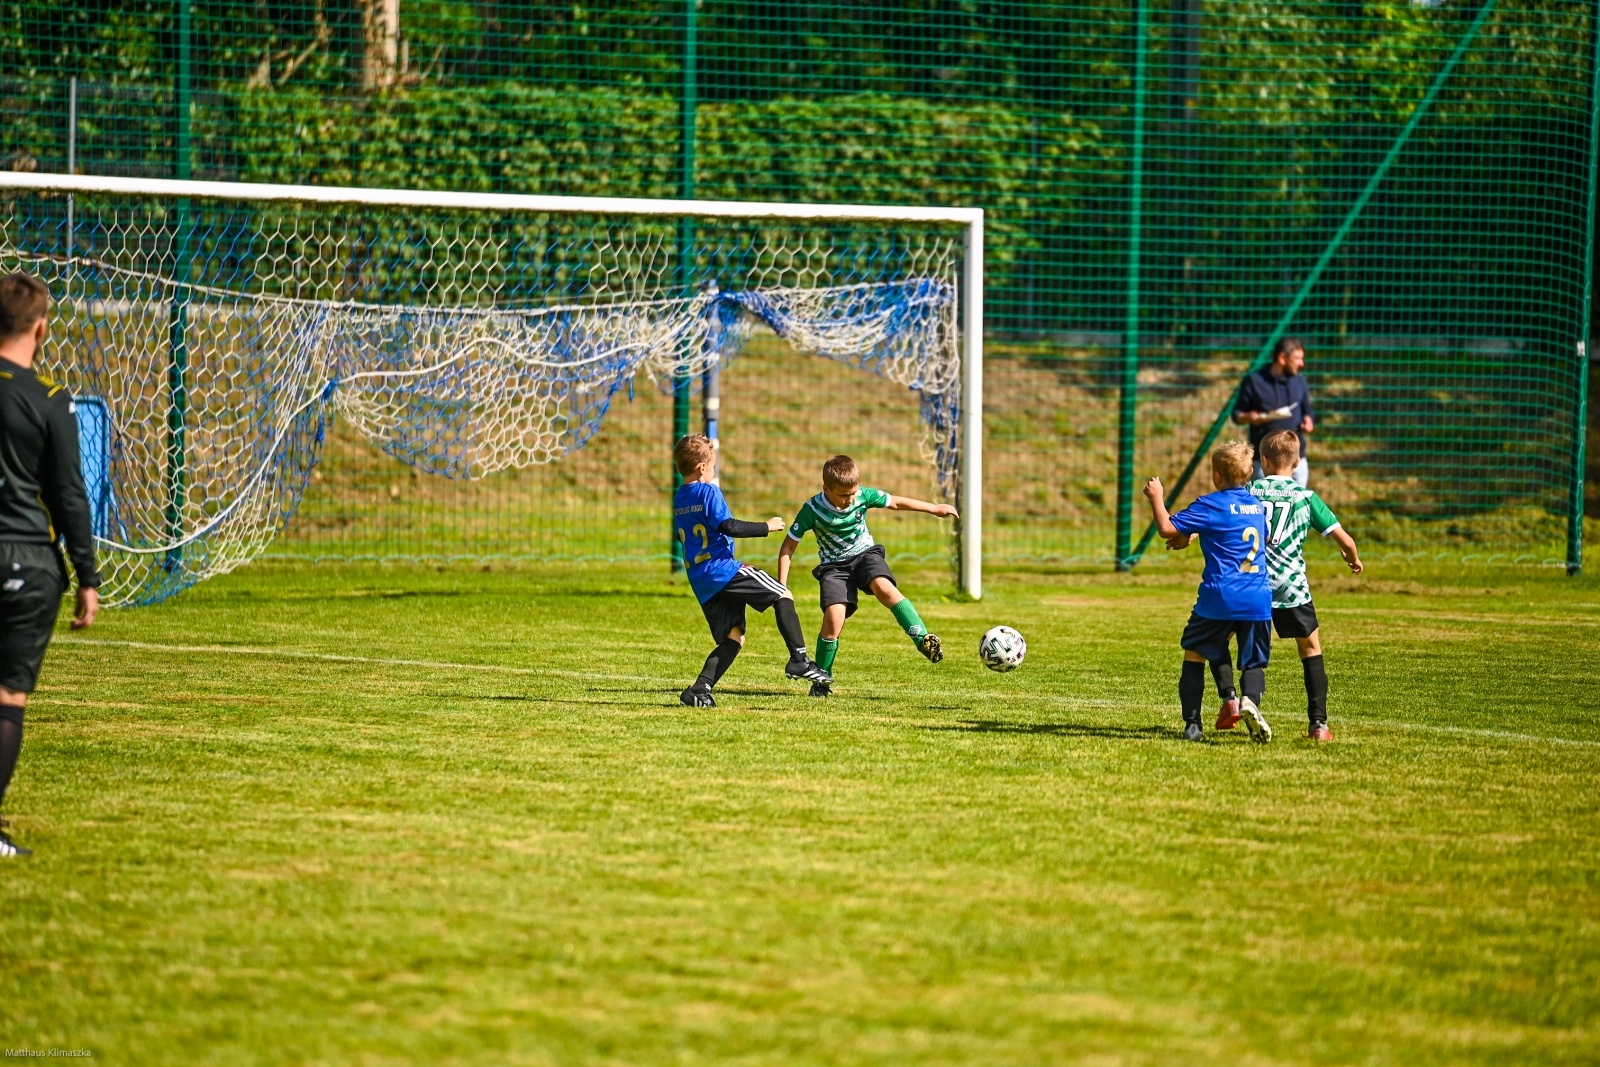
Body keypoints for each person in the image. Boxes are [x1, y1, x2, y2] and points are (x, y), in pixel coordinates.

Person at [0, 272, 100, 858]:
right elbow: (68, 495)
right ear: (40, 327)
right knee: (8, 698)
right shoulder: (50, 399)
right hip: (24, 562)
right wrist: (87, 576)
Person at [776, 455, 956, 697]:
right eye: (843, 495)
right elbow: (787, 548)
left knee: (885, 588)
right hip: (834, 568)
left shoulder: (862, 495)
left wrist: (934, 509)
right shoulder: (812, 510)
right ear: (826, 489)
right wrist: (782, 587)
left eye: (853, 493)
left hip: (865, 555)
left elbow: (895, 502)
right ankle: (821, 681)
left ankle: (922, 639)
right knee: (833, 617)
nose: (850, 500)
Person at [672, 434, 830, 708]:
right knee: (782, 594)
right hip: (722, 570)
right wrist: (766, 527)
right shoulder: (708, 491)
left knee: (735, 636)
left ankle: (699, 689)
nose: (713, 471)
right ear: (701, 468)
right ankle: (799, 660)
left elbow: (681, 537)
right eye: (712, 466)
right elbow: (728, 526)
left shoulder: (679, 499)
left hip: (701, 580)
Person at [1143, 440, 1273, 744]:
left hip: (1220, 595)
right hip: (1258, 597)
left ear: (1216, 475)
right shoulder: (1256, 506)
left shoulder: (1210, 504)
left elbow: (1165, 527)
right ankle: (1248, 701)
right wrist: (1194, 534)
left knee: (1196, 653)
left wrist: (1156, 497)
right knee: (1253, 662)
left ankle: (1193, 725)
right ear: (1249, 473)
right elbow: (1240, 533)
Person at [1242, 430, 1362, 741]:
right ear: (1296, 463)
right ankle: (1319, 725)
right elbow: (1345, 540)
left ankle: (1244, 701)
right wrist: (1352, 559)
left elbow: (1226, 517)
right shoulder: (1306, 497)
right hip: (1292, 585)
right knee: (1310, 648)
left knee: (1252, 648)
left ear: (1263, 460)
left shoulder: (1252, 489)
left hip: (1254, 582)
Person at [1234, 337, 1314, 485]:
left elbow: (1307, 411)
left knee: (1296, 507)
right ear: (1282, 358)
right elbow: (1237, 415)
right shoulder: (1255, 381)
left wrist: (1309, 421)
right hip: (1265, 463)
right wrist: (1249, 417)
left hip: (1296, 462)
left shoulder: (1300, 381)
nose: (1302, 364)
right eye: (1297, 359)